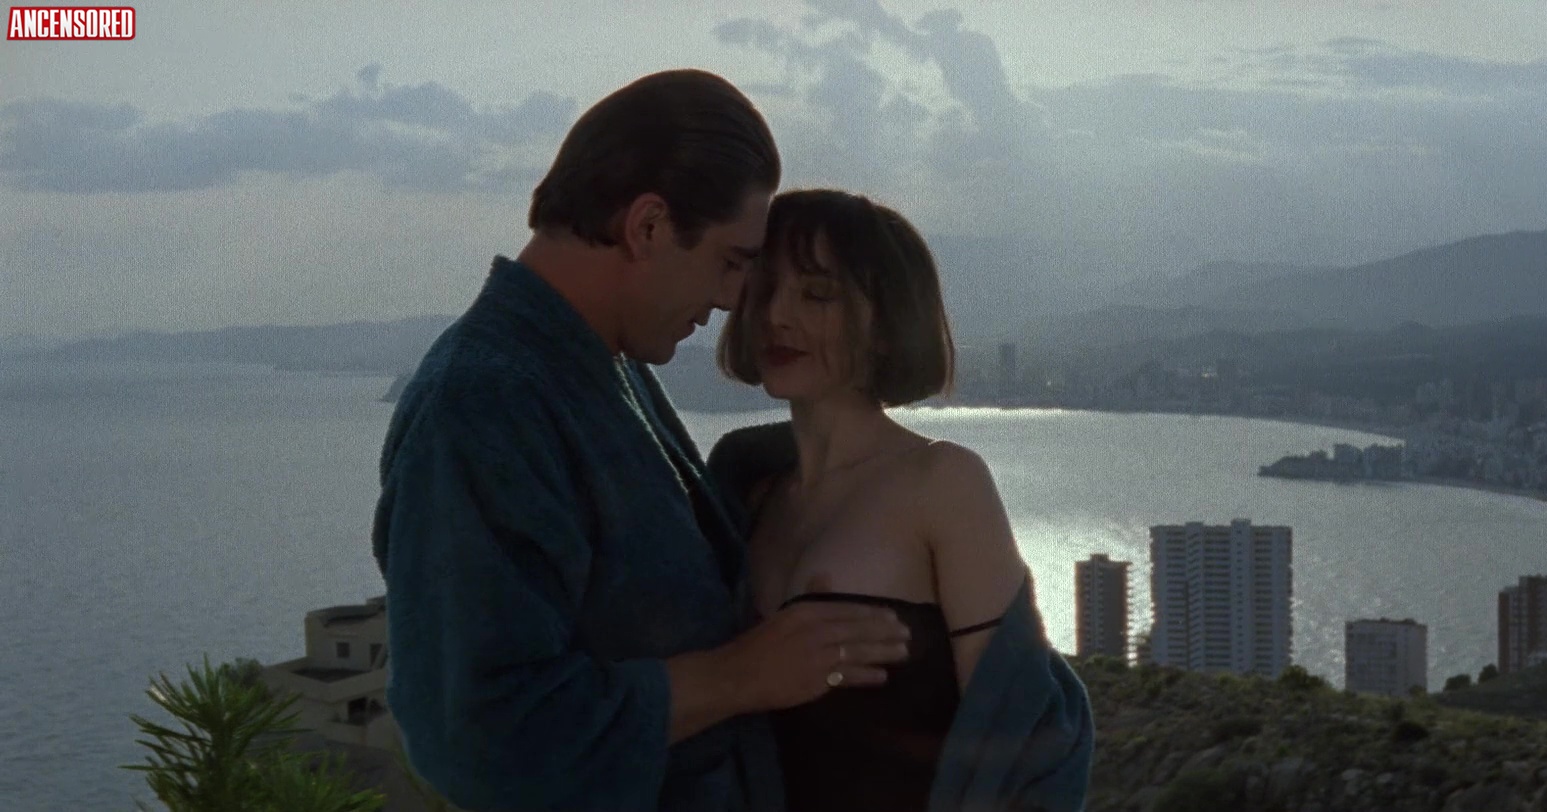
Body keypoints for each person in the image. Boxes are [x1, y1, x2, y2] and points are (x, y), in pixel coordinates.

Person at [370, 71, 913, 812]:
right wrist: (741, 676)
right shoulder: (483, 406)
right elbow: (476, 738)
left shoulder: (603, 364)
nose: (733, 298)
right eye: (730, 261)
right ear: (649, 226)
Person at [706, 189, 1094, 812]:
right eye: (764, 287)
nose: (777, 313)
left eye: (817, 294)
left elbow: (1019, 737)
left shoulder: (941, 482)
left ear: (886, 326)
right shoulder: (743, 491)